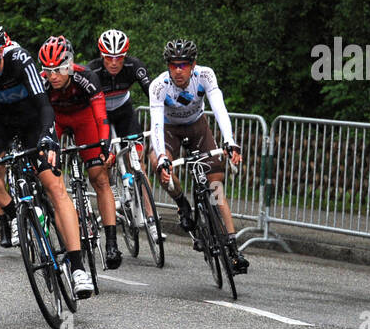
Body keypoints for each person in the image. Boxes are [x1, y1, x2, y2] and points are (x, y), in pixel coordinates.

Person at [0, 21, 93, 296]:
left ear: (0, 50)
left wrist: (48, 136)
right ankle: (10, 211)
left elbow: (44, 104)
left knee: (54, 186)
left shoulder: (20, 60)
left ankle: (78, 267)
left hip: (33, 121)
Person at [149, 38, 248, 274]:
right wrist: (163, 157)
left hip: (197, 127)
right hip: (169, 130)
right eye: (173, 65)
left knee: (215, 184)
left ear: (194, 65)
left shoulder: (205, 76)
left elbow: (219, 107)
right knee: (158, 165)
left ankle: (233, 248)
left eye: (184, 65)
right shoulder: (159, 86)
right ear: (168, 66)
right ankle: (182, 203)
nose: (178, 70)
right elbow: (155, 124)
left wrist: (230, 142)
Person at [39, 36, 120, 269]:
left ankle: (112, 243)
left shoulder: (86, 77)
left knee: (99, 177)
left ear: (68, 65)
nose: (52, 76)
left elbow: (100, 114)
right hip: (56, 120)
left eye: (57, 70)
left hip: (85, 120)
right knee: (45, 169)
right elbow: (40, 117)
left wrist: (105, 143)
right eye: (48, 70)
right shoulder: (43, 82)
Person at [88, 28, 158, 238]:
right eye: (109, 58)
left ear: (125, 56)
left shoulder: (134, 66)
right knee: (104, 159)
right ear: (102, 56)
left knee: (138, 161)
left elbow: (152, 95)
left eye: (119, 57)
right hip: (102, 115)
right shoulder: (92, 71)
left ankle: (151, 217)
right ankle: (113, 189)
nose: (114, 63)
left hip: (124, 111)